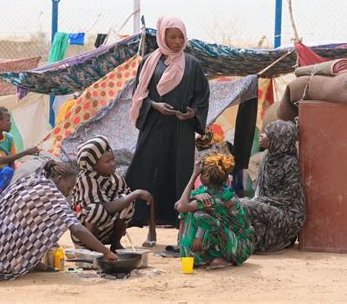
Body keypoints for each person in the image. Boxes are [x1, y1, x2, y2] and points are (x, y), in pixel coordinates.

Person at [0, 160, 117, 283]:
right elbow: (76, 229)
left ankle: (32, 263)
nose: (68, 193)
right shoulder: (51, 192)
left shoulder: (35, 180)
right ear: (60, 179)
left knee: (40, 226)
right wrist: (106, 252)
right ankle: (23, 264)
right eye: (68, 188)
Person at [126, 16, 210, 232]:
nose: (177, 41)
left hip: (181, 129)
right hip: (154, 125)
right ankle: (139, 216)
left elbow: (201, 97)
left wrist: (191, 114)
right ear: (162, 37)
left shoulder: (192, 64)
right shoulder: (149, 62)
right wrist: (155, 106)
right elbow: (138, 94)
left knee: (179, 170)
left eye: (181, 36)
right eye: (172, 36)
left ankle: (176, 219)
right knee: (146, 168)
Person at [72, 136, 155, 251]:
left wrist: (131, 197)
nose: (113, 164)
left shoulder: (115, 178)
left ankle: (115, 244)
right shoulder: (86, 179)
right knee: (97, 209)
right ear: (94, 166)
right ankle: (91, 248)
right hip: (83, 233)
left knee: (127, 203)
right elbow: (105, 207)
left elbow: (124, 200)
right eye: (107, 162)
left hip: (106, 231)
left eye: (113, 160)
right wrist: (136, 193)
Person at [175, 154, 254, 269]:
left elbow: (182, 206)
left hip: (241, 248)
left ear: (205, 178)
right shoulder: (207, 192)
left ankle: (203, 256)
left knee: (198, 215)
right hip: (229, 240)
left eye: (201, 174)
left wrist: (193, 175)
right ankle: (197, 254)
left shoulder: (221, 197)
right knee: (189, 212)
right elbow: (178, 205)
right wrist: (194, 197)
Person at [240, 120, 306, 252]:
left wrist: (259, 201)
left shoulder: (290, 163)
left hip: (287, 214)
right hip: (270, 207)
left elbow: (288, 198)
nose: (262, 136)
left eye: (267, 134)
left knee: (245, 205)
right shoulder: (268, 158)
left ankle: (278, 240)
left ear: (277, 138)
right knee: (242, 205)